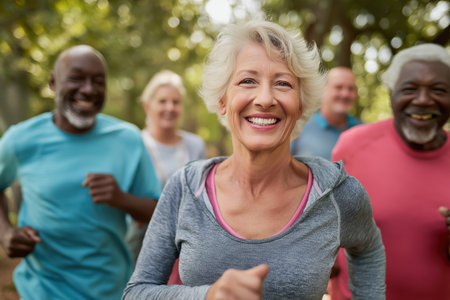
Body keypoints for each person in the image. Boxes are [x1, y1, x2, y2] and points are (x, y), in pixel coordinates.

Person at [122, 20, 385, 300]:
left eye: (283, 83)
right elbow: (137, 292)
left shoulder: (337, 194)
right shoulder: (186, 188)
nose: (265, 98)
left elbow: (368, 248)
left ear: (301, 106)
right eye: (248, 81)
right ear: (223, 100)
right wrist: (207, 296)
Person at [0, 45, 161, 300]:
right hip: (42, 291)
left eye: (98, 82)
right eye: (77, 78)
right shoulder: (20, 140)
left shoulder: (128, 139)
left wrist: (120, 198)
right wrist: (5, 231)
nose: (88, 89)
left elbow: (158, 212)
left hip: (112, 291)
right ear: (53, 82)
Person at [330, 43, 450, 300]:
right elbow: (324, 224)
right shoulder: (351, 147)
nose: (423, 100)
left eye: (439, 90)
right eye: (410, 89)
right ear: (391, 93)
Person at [125, 70, 206, 281]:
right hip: (141, 238)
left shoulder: (195, 145)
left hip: (187, 239)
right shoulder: (135, 144)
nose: (169, 108)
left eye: (175, 102)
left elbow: (203, 193)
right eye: (162, 101)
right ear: (147, 106)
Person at [290, 67, 361, 160]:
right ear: (323, 90)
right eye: (339, 87)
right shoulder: (299, 129)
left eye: (351, 89)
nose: (345, 94)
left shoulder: (363, 130)